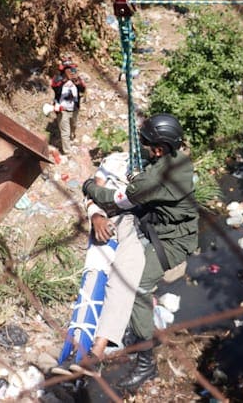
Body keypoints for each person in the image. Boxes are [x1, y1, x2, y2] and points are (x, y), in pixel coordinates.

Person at [82, 113, 199, 393]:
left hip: (172, 242)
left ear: (159, 149)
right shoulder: (178, 160)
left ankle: (146, 362)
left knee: (138, 288)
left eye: (148, 145)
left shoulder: (155, 179)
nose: (145, 148)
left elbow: (114, 199)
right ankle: (133, 332)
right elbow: (145, 171)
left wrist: (88, 186)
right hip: (164, 226)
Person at [51, 152, 145, 376]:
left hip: (136, 225)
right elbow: (92, 191)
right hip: (108, 218)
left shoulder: (156, 168)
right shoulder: (116, 161)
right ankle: (73, 352)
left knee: (122, 281)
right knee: (93, 279)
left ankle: (96, 352)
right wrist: (95, 216)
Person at [50, 58, 86, 154]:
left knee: (73, 125)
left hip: (74, 108)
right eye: (68, 69)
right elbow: (54, 86)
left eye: (72, 69)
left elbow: (83, 89)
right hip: (62, 109)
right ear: (64, 70)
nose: (71, 71)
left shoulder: (76, 79)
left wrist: (76, 81)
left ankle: (72, 137)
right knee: (65, 132)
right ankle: (67, 151)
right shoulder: (58, 78)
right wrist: (65, 80)